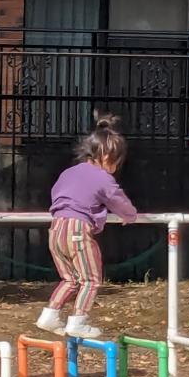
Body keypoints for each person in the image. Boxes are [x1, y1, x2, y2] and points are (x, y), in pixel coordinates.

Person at [37, 113, 138, 341]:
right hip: (77, 230)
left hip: (56, 229)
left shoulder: (69, 173)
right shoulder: (103, 178)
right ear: (107, 157)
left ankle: (50, 314)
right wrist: (129, 215)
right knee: (91, 279)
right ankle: (78, 320)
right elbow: (118, 200)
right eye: (116, 161)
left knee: (70, 279)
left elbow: (58, 195)